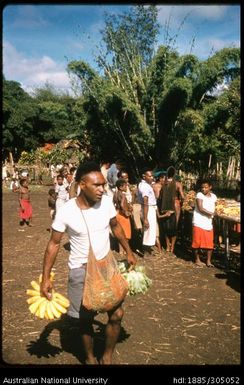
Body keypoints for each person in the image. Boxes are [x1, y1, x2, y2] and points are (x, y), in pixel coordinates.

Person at [40, 161, 137, 365]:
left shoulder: (107, 202)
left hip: (107, 267)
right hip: (81, 271)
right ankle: (90, 358)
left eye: (103, 184)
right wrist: (46, 278)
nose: (102, 189)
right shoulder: (66, 211)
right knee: (84, 321)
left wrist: (128, 251)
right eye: (97, 185)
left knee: (117, 314)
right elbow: (54, 244)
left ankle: (107, 356)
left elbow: (115, 226)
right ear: (82, 185)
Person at [192, 180, 217, 267]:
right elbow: (200, 208)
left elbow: (215, 206)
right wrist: (211, 213)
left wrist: (214, 213)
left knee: (209, 243)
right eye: (202, 187)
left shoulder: (214, 196)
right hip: (198, 221)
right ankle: (197, 259)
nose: (203, 189)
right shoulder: (199, 195)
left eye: (206, 187)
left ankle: (208, 261)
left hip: (208, 222)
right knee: (197, 242)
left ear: (210, 187)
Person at [159, 166, 184, 254]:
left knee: (166, 226)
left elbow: (160, 197)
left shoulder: (164, 184)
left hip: (165, 206)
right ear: (174, 174)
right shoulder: (178, 184)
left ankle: (167, 246)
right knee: (174, 227)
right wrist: (181, 201)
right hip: (175, 205)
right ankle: (172, 247)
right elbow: (182, 196)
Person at [137, 168, 158, 257]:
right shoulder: (144, 186)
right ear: (144, 176)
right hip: (147, 208)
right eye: (149, 176)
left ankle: (148, 249)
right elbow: (145, 201)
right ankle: (145, 252)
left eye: (152, 176)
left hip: (151, 208)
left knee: (151, 230)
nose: (152, 177)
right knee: (147, 229)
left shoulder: (147, 185)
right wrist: (145, 218)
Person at [113, 179, 133, 254]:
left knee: (120, 234)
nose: (126, 187)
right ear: (121, 187)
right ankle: (125, 250)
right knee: (126, 234)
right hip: (123, 215)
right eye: (125, 186)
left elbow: (114, 203)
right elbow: (122, 204)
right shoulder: (123, 195)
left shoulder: (115, 194)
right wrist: (126, 212)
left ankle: (121, 250)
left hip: (118, 214)